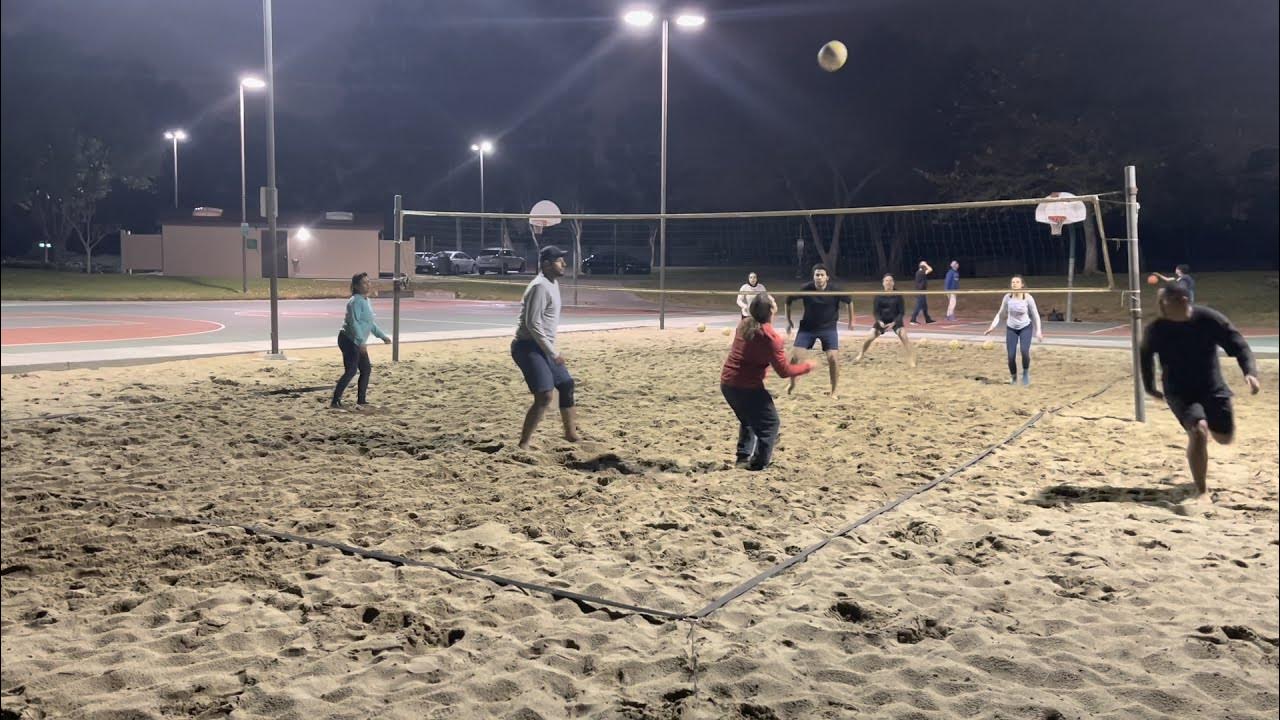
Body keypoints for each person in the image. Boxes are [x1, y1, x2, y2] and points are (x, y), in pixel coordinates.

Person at [1141, 283, 1259, 500]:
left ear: (1183, 301)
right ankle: (1201, 490)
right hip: (1179, 390)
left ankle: (1209, 437)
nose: (1160, 307)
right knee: (1198, 431)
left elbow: (1239, 345)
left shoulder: (1208, 319)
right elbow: (1145, 357)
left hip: (1212, 387)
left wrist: (1250, 372)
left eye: (1164, 302)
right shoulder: (1157, 328)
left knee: (1224, 438)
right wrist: (1150, 387)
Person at [721, 293, 815, 470]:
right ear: (772, 309)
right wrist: (807, 367)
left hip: (727, 383)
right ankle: (758, 464)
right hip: (746, 388)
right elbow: (784, 371)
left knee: (748, 419)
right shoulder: (770, 338)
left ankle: (743, 458)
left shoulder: (744, 324)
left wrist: (779, 345)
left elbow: (757, 347)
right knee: (771, 424)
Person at [512, 245, 580, 449]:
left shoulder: (553, 283)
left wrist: (550, 349)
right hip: (527, 347)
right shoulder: (539, 286)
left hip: (542, 346)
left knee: (566, 384)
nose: (564, 264)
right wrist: (553, 352)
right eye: (559, 261)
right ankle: (523, 444)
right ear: (547, 264)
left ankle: (570, 435)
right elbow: (533, 324)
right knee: (545, 396)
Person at [784, 264, 854, 398]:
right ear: (813, 277)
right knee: (795, 358)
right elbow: (788, 300)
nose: (819, 277)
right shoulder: (806, 289)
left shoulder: (835, 290)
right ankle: (792, 384)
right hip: (807, 328)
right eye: (817, 275)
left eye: (822, 275)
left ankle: (834, 391)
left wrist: (852, 321)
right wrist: (788, 321)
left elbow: (849, 301)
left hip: (828, 328)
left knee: (833, 358)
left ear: (827, 277)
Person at [331, 272, 391, 409]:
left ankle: (361, 400)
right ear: (356, 286)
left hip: (358, 341)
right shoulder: (355, 301)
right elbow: (354, 323)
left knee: (366, 369)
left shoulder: (366, 300)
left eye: (368, 282)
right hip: (349, 339)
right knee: (351, 370)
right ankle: (335, 400)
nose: (368, 285)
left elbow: (369, 323)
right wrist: (360, 341)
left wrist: (382, 336)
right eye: (364, 282)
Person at [983, 275, 1043, 385]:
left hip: (1025, 327)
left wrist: (1038, 330)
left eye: (1017, 282)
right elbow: (1000, 313)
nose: (1014, 284)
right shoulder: (1007, 297)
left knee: (1024, 351)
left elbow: (1035, 315)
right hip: (1011, 328)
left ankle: (1025, 373)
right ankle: (1014, 377)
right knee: (1011, 356)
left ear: (1022, 285)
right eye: (1013, 282)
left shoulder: (1028, 298)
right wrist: (992, 326)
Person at [856, 274, 915, 367]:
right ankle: (861, 354)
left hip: (895, 321)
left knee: (904, 336)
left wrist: (894, 323)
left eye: (890, 280)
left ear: (893, 283)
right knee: (869, 338)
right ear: (883, 283)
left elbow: (901, 312)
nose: (888, 283)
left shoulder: (898, 295)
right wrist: (879, 321)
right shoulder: (879, 296)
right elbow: (875, 312)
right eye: (886, 281)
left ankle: (911, 358)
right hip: (882, 321)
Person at [909, 260, 935, 325]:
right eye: (925, 265)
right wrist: (925, 264)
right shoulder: (921, 272)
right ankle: (912, 320)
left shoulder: (920, 272)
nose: (926, 266)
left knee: (924, 306)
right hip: (920, 292)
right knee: (918, 306)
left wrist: (924, 264)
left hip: (921, 291)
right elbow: (930, 269)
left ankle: (927, 319)